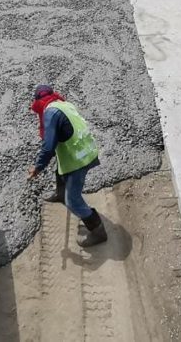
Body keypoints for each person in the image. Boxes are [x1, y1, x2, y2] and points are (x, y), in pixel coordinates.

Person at [27, 85, 107, 248]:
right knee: (60, 166)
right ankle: (60, 193)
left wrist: (38, 167)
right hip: (86, 148)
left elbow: (49, 147)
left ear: (38, 102)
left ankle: (97, 229)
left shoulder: (50, 113)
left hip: (79, 159)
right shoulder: (64, 104)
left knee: (73, 201)